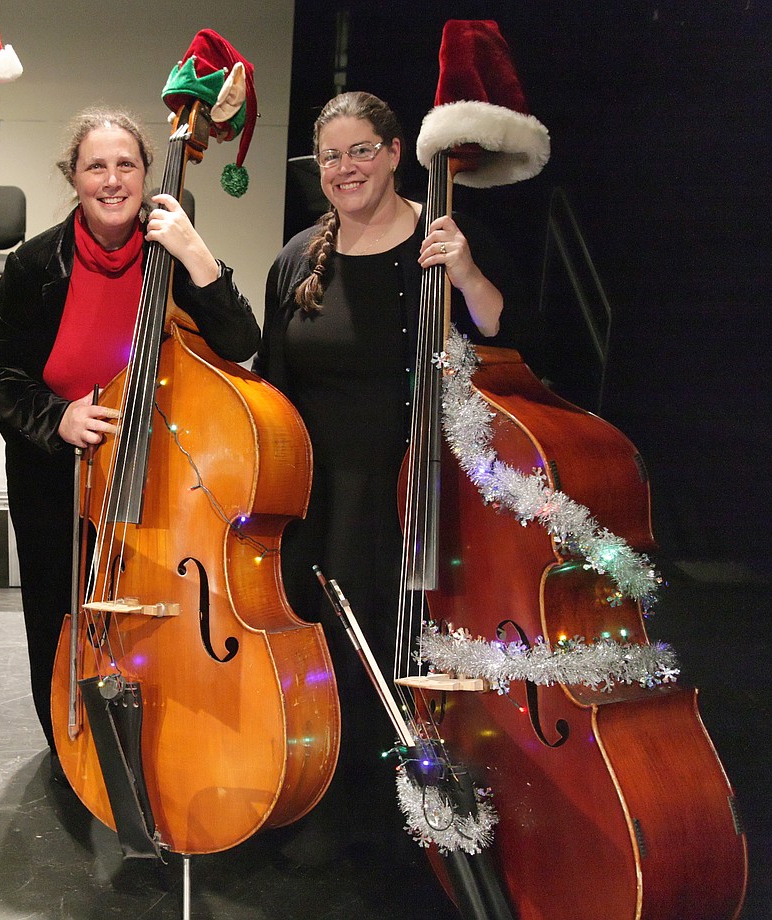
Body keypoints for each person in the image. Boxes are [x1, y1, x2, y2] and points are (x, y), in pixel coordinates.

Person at [253, 91, 517, 863]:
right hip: (316, 489)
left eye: (361, 150)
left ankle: (404, 809)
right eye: (332, 155)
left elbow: (500, 327)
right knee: (324, 646)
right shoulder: (298, 256)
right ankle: (325, 796)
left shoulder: (439, 242)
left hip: (409, 484)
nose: (346, 168)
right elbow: (274, 379)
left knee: (403, 642)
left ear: (397, 152)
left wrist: (465, 272)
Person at [0, 108, 260, 778]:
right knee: (59, 604)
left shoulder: (175, 247)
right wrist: (57, 419)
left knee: (149, 602)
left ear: (146, 173)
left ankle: (153, 730)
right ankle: (68, 742)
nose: (111, 179)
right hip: (57, 465)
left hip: (156, 460)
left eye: (125, 164)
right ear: (73, 176)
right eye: (95, 165)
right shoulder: (36, 261)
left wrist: (195, 254)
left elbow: (241, 342)